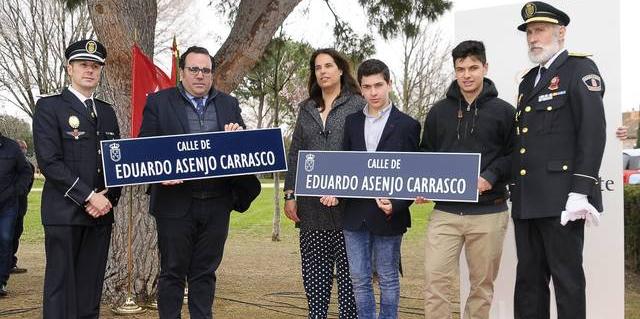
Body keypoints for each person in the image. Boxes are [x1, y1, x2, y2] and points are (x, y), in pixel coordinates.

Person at [139, 45, 260, 319]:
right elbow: (144, 148)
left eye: (206, 70)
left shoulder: (229, 104)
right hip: (175, 205)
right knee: (172, 273)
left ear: (212, 74)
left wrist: (237, 138)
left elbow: (242, 153)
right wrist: (160, 172)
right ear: (182, 72)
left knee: (205, 273)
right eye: (193, 69)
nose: (200, 75)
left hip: (217, 204)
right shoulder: (159, 102)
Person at [511, 2, 606, 318]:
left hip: (562, 200)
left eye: (539, 30)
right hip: (528, 201)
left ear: (560, 32)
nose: (533, 38)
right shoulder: (528, 81)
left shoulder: (580, 70)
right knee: (528, 284)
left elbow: (592, 132)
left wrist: (580, 191)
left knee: (567, 283)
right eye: (529, 32)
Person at [418, 40, 515, 318]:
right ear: (455, 71)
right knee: (435, 281)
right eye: (460, 69)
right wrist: (423, 183)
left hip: (489, 211)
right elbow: (426, 153)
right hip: (445, 213)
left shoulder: (505, 111)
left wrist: (491, 175)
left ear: (485, 67)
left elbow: (514, 155)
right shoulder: (438, 111)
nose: (467, 74)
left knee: (481, 287)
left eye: (473, 67)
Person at [32, 39, 122, 317]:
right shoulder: (50, 107)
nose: (90, 71)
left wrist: (107, 200)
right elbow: (49, 161)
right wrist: (88, 196)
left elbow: (116, 160)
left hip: (100, 214)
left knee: (90, 287)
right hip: (64, 213)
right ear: (69, 68)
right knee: (60, 288)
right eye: (83, 65)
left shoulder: (106, 111)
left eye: (95, 66)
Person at [283, 48, 361, 319]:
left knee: (351, 281)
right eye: (318, 67)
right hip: (311, 209)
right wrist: (289, 194)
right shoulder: (306, 108)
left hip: (347, 209)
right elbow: (296, 152)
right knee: (315, 277)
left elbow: (362, 153)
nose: (323, 71)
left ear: (340, 70)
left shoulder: (358, 104)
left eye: (329, 65)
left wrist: (343, 187)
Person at [340, 59, 420, 319]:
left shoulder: (408, 125)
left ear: (389, 84)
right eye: (367, 87)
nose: (373, 92)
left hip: (389, 214)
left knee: (387, 278)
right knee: (359, 279)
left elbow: (413, 175)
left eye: (378, 85)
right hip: (354, 215)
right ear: (360, 90)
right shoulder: (351, 123)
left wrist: (397, 204)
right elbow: (344, 166)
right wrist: (333, 189)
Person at [0, 134, 32, 297]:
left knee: (6, 240)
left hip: (8, 205)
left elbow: (26, 172)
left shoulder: (12, 147)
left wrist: (17, 191)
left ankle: (1, 281)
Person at [10, 139, 34, 274]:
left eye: (24, 147)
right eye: (20, 147)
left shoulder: (29, 166)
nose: (22, 149)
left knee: (15, 234)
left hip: (19, 205)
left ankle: (11, 262)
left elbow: (28, 186)